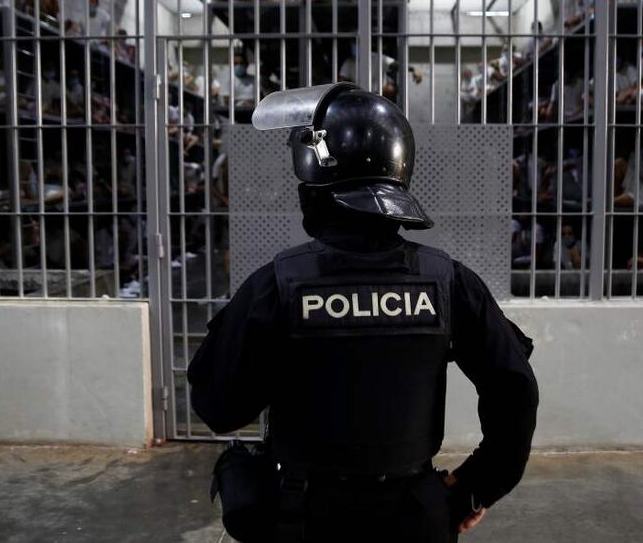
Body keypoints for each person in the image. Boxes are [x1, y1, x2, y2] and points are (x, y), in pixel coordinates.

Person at [188, 82, 539, 542]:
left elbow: (218, 407)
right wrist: (474, 489)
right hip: (416, 519)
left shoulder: (275, 286)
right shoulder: (450, 281)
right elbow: (515, 393)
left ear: (314, 180)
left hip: (304, 518)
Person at [337, 43, 422, 100]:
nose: (355, 47)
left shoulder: (378, 58)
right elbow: (341, 81)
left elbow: (396, 66)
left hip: (381, 95)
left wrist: (413, 69)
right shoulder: (349, 62)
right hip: (359, 97)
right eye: (354, 44)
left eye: (358, 44)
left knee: (390, 89)